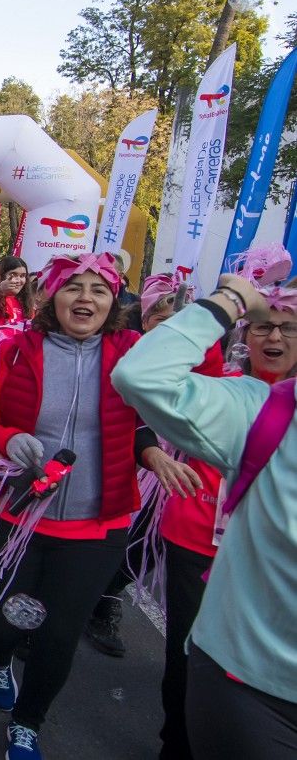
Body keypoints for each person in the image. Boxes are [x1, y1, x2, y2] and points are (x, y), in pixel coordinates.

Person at [0, 252, 197, 760]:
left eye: (99, 290)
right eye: (75, 287)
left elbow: (138, 421)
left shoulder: (131, 353)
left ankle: (28, 722)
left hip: (98, 523)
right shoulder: (15, 348)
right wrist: (10, 441)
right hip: (21, 512)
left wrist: (153, 451)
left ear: (113, 300)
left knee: (57, 635)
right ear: (52, 295)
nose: (86, 298)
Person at [112, 273, 297, 760]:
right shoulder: (247, 403)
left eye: (289, 328)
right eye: (265, 326)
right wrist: (232, 299)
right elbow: (144, 382)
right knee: (183, 660)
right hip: (199, 546)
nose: (275, 337)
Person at [0, 255, 35, 326]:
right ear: (1, 275)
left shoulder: (27, 303)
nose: (18, 280)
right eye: (13, 274)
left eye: (22, 276)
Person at [113, 250, 143, 333]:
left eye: (109, 271)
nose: (104, 275)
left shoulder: (136, 303)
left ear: (121, 275)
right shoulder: (88, 298)